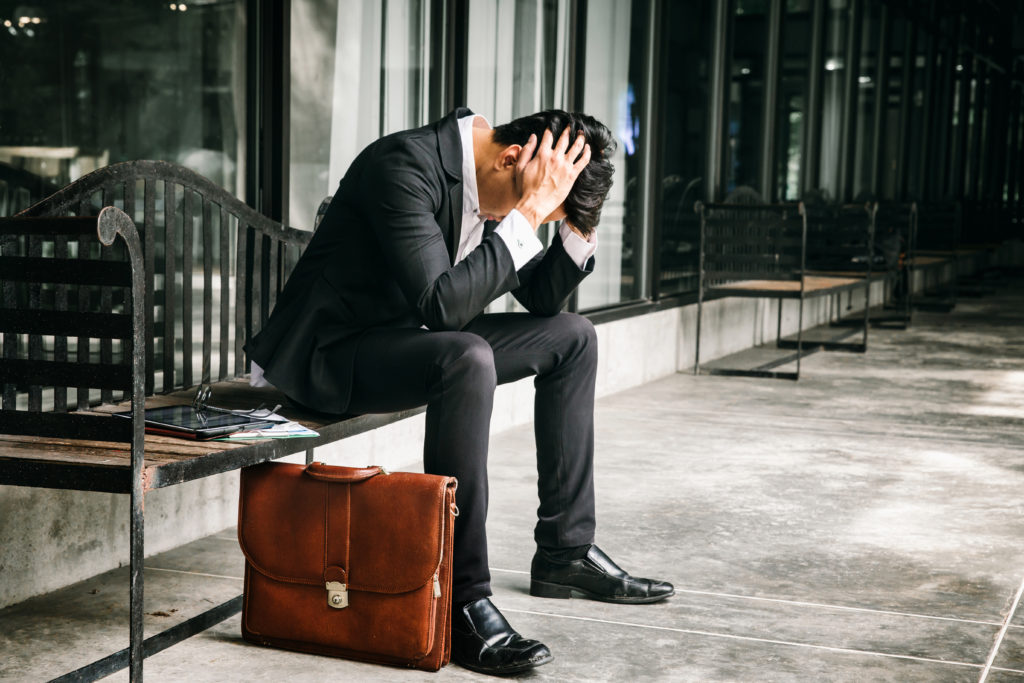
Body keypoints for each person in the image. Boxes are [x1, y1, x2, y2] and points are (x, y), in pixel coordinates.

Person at [245, 107, 674, 675]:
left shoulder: (497, 175)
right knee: (466, 357)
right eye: (541, 210)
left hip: (413, 339)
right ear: (513, 157)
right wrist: (526, 213)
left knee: (573, 337)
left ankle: (564, 552)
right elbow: (442, 306)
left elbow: (542, 302)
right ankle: (461, 597)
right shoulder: (403, 164)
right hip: (331, 354)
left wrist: (577, 223)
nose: (533, 220)